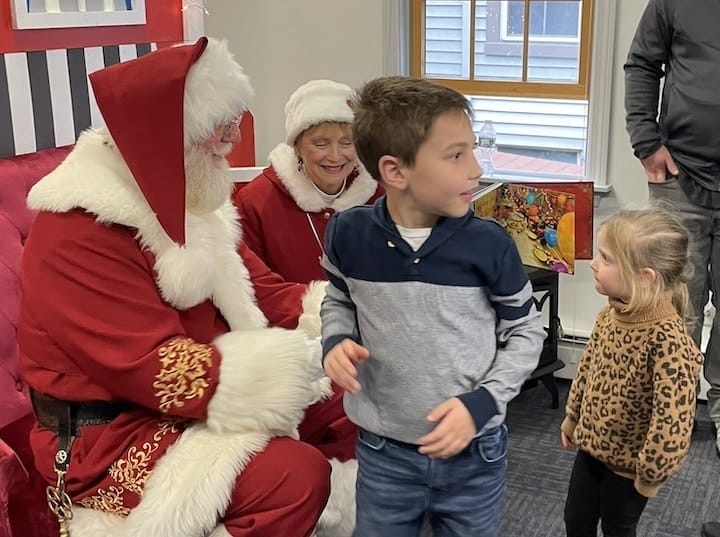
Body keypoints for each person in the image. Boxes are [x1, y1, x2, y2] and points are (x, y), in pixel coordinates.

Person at [18, 37, 343, 537]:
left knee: (353, 399)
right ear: (166, 134)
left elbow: (259, 289)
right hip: (105, 435)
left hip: (183, 400)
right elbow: (154, 367)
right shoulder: (80, 230)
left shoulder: (187, 199)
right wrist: (299, 366)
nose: (233, 140)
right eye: (219, 128)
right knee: (295, 477)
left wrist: (339, 320)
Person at [319, 75, 546, 537]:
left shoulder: (490, 245)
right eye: (456, 155)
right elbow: (339, 299)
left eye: (472, 150)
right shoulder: (347, 234)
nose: (476, 169)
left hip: (474, 457)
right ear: (395, 172)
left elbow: (526, 331)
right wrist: (336, 339)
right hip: (384, 455)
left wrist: (485, 401)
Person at [560, 209, 703, 537]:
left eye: (606, 258)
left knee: (617, 529)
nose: (594, 264)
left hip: (630, 469)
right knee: (576, 521)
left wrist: (650, 473)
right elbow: (587, 371)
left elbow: (673, 422)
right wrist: (573, 418)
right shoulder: (609, 315)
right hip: (591, 449)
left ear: (645, 277)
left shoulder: (669, 340)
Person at [624, 0, 720, 453]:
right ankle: (671, 413)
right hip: (680, 178)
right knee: (673, 306)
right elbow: (643, 62)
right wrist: (645, 140)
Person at [233, 79, 382, 284]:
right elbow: (254, 286)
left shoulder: (380, 196)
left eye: (347, 143)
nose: (335, 156)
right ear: (297, 147)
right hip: (296, 316)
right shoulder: (256, 202)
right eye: (320, 144)